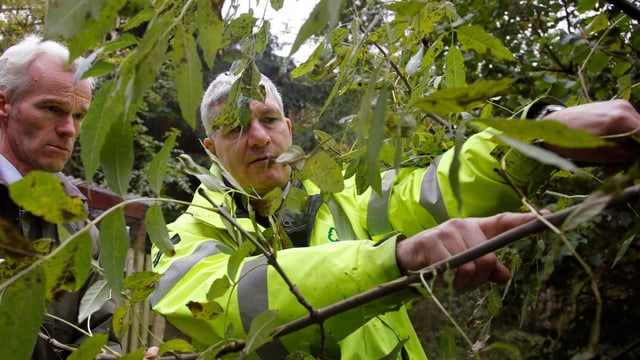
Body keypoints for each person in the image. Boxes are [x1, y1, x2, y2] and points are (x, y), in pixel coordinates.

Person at [150, 70, 640, 359]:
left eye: (269, 119)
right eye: (236, 127)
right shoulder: (178, 237)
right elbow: (232, 307)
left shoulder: (345, 198)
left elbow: (433, 192)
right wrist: (394, 261)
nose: (258, 137)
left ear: (288, 127)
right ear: (212, 149)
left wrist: (533, 138)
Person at [0, 35, 120, 359]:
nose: (69, 129)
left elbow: (100, 337)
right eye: (53, 108)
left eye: (79, 116)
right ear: (3, 105)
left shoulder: (80, 229)